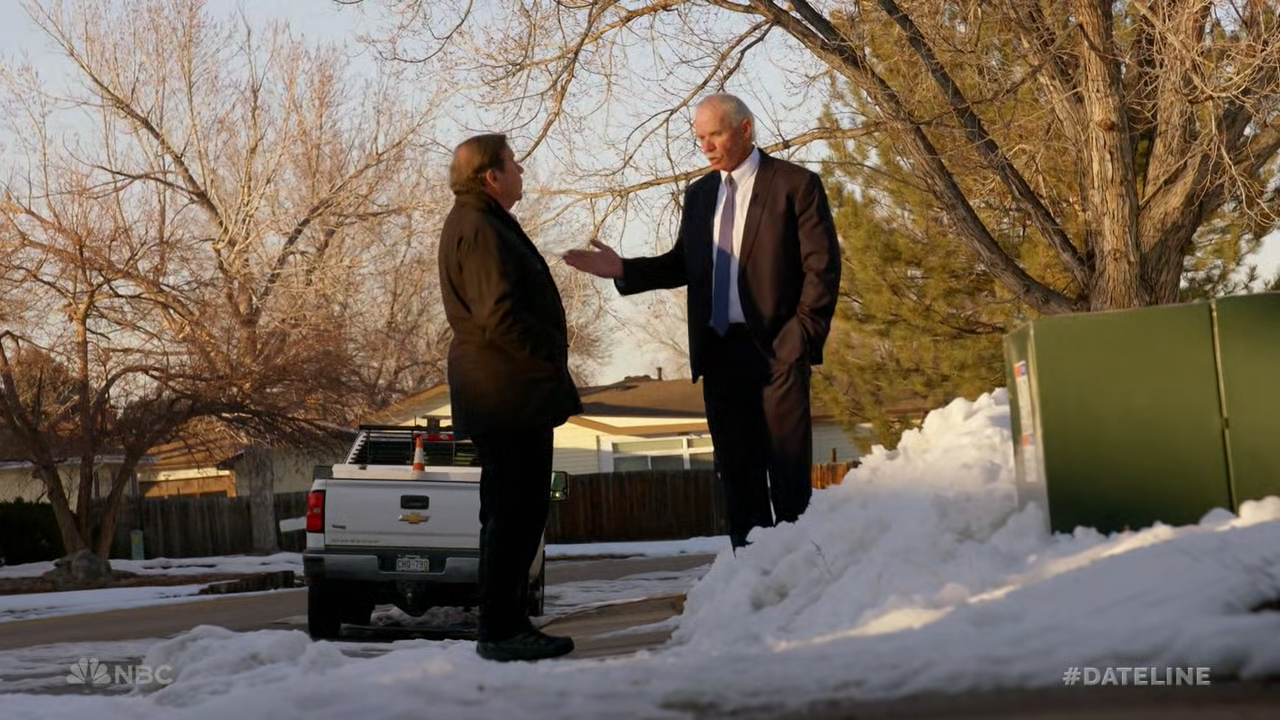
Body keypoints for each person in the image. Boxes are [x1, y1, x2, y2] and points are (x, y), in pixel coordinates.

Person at [564, 94, 841, 549]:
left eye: (715, 135)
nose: (706, 147)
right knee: (739, 481)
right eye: (700, 138)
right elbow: (683, 264)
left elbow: (822, 268)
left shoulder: (795, 185)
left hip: (778, 351)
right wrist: (624, 269)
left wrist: (801, 337)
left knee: (789, 481)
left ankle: (802, 575)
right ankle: (749, 576)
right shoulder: (699, 195)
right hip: (720, 354)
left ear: (745, 129)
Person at [438, 133, 583, 661]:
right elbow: (498, 316)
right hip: (507, 394)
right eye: (513, 164)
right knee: (514, 514)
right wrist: (549, 353)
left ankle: (507, 623)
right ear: (491, 176)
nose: (521, 171)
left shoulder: (481, 221)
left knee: (514, 513)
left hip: (507, 392)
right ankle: (501, 629)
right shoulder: (479, 227)